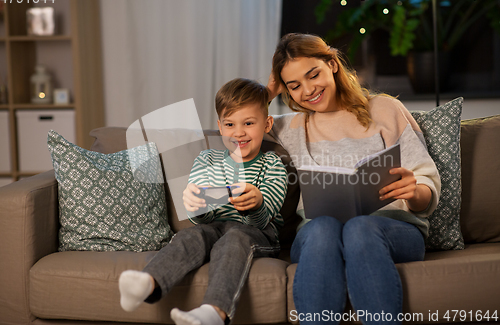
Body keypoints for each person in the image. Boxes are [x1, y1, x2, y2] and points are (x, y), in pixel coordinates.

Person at [267, 33, 441, 324]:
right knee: (323, 227)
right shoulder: (289, 128)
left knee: (360, 227)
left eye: (314, 75)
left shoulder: (385, 110)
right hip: (317, 236)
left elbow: (425, 185)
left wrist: (415, 191)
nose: (308, 90)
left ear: (332, 64)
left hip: (395, 230)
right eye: (294, 86)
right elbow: (235, 129)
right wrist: (267, 91)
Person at [118, 78, 288, 325]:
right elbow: (202, 217)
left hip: (258, 233)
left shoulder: (272, 164)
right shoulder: (207, 160)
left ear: (267, 124)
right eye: (230, 124)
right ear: (220, 126)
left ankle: (213, 313)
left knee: (235, 237)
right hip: (213, 228)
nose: (238, 132)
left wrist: (257, 202)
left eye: (249, 123)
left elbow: (263, 219)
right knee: (190, 235)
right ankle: (148, 283)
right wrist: (196, 204)